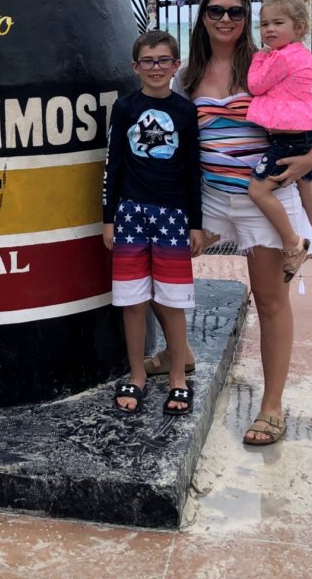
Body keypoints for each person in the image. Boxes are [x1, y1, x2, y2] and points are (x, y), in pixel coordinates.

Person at [178, 0, 312, 446]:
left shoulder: (266, 64)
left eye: (236, 12)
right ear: (203, 16)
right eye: (215, 11)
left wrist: (310, 159)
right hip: (211, 198)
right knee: (161, 258)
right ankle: (180, 353)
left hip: (262, 200)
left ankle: (271, 406)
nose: (225, 19)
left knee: (270, 302)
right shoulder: (188, 75)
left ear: (246, 19)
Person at [102, 30, 204, 416]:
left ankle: (178, 377)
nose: (156, 68)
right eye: (148, 61)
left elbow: (193, 171)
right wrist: (108, 218)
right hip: (130, 213)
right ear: (136, 67)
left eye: (164, 61)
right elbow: (112, 165)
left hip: (174, 216)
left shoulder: (185, 111)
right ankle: (137, 374)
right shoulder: (125, 108)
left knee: (172, 301)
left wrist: (195, 223)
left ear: (176, 65)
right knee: (133, 301)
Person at [245, 0, 312, 278]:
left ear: (299, 27)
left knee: (258, 190)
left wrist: (258, 58)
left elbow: (255, 85)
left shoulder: (279, 58)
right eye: (264, 24)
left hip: (287, 138)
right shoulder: (303, 55)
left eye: (277, 23)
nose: (268, 30)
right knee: (306, 185)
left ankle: (293, 241)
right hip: (305, 134)